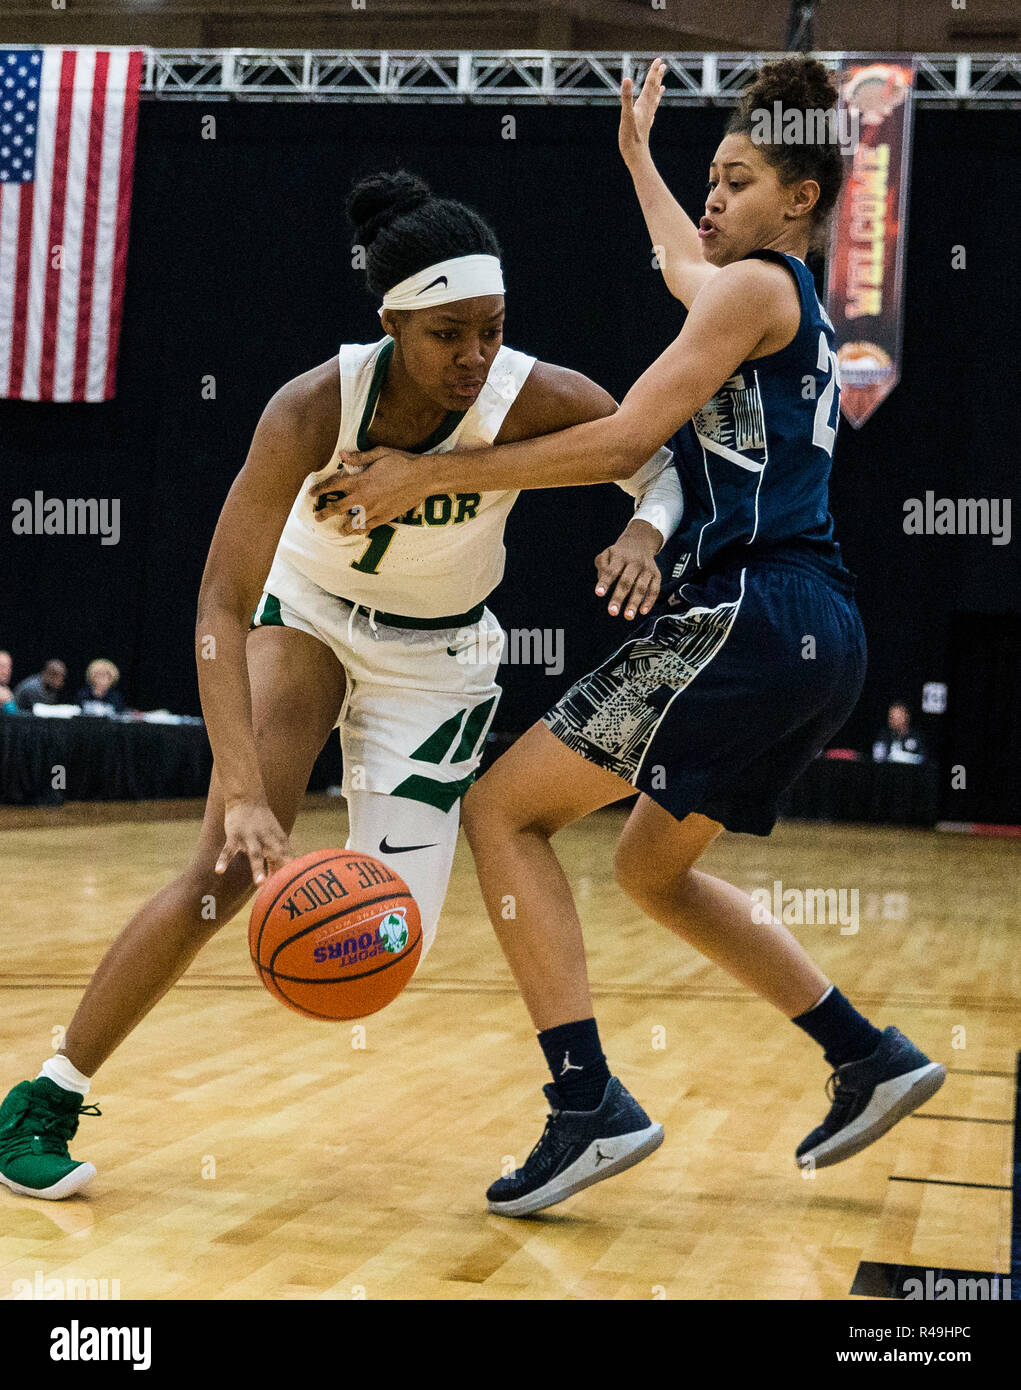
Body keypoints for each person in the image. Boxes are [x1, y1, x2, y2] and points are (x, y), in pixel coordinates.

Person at [332, 58, 946, 1216]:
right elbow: (682, 263)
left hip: (746, 614)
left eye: (735, 179)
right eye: (707, 179)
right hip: (819, 630)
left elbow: (621, 443)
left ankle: (585, 1105)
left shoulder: (749, 292)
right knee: (651, 869)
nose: (709, 200)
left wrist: (429, 474)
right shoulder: (768, 299)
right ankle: (867, 1053)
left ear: (800, 198)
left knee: (502, 811)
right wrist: (635, 158)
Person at [0, 170, 681, 1201]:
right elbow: (220, 607)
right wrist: (237, 788)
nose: (474, 355)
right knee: (223, 870)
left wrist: (642, 528)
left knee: (381, 939)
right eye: (447, 332)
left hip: (439, 664)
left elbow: (656, 463)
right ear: (391, 322)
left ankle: (573, 1093)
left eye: (491, 328)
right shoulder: (312, 407)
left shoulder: (528, 394)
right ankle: (43, 1097)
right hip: (308, 620)